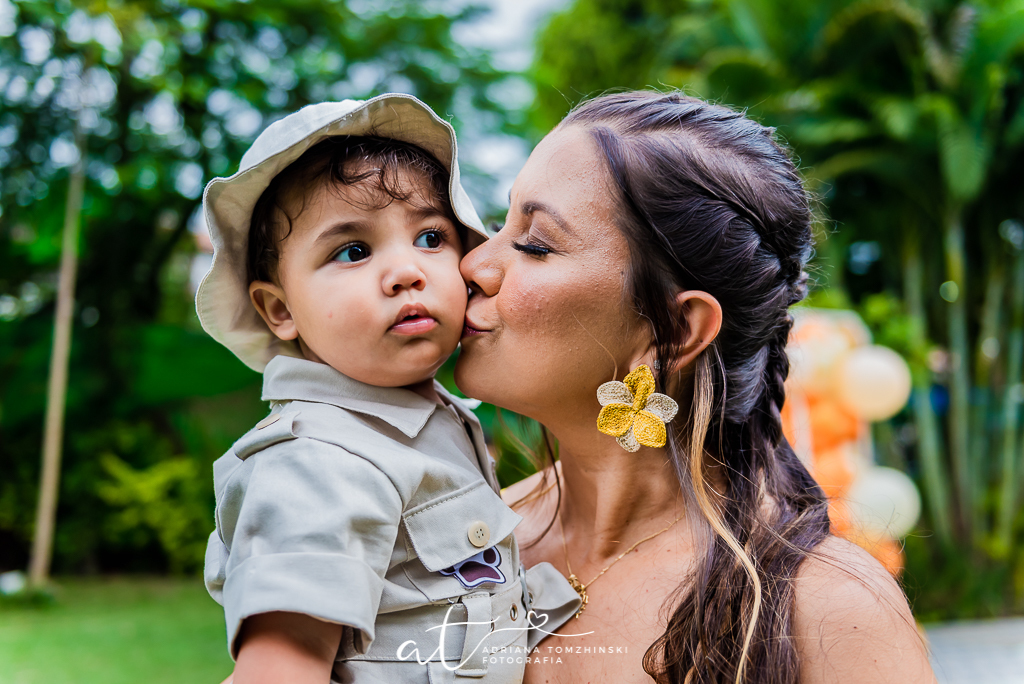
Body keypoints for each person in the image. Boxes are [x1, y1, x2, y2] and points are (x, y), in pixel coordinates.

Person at [456, 90, 937, 683]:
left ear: (677, 331)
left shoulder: (826, 613)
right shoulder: (466, 542)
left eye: (535, 244)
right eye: (502, 223)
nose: (474, 265)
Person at [197, 94, 579, 684]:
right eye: (352, 250)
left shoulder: (429, 424)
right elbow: (281, 669)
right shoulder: (314, 462)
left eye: (431, 238)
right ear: (279, 309)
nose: (407, 271)